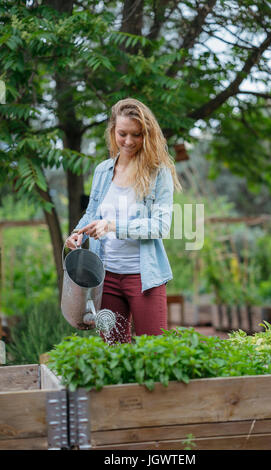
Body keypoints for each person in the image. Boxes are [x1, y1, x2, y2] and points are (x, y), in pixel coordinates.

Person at [66, 97, 182, 343]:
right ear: (112, 132)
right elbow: (93, 213)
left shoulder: (158, 173)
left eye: (136, 135)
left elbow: (160, 226)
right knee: (113, 352)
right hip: (105, 277)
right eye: (122, 134)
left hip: (144, 278)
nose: (128, 141)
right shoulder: (102, 171)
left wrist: (112, 226)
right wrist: (79, 233)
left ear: (147, 135)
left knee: (154, 349)